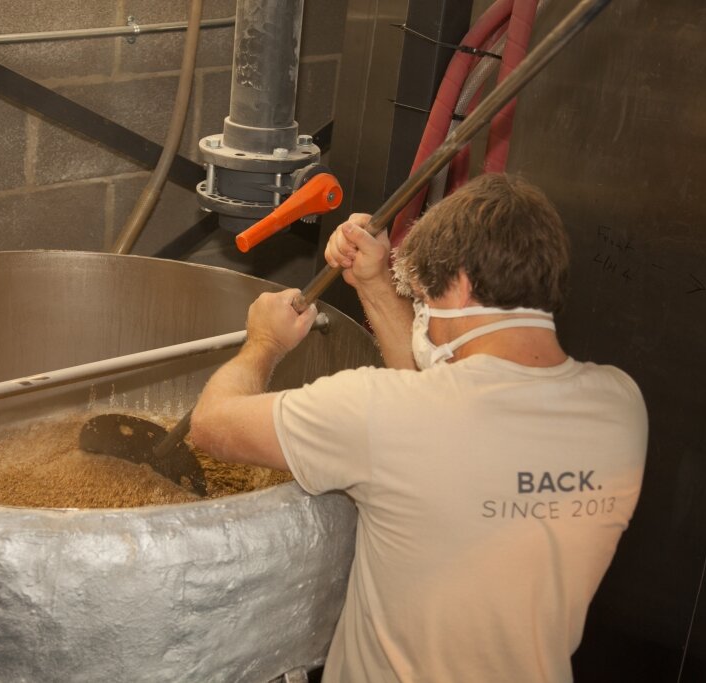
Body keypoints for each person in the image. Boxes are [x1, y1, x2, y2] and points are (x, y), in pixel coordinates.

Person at [190, 173, 647, 682]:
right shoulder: (620, 406)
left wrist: (264, 343)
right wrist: (374, 283)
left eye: (426, 296)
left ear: (463, 285)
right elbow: (441, 432)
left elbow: (211, 425)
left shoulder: (378, 411)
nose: (424, 315)